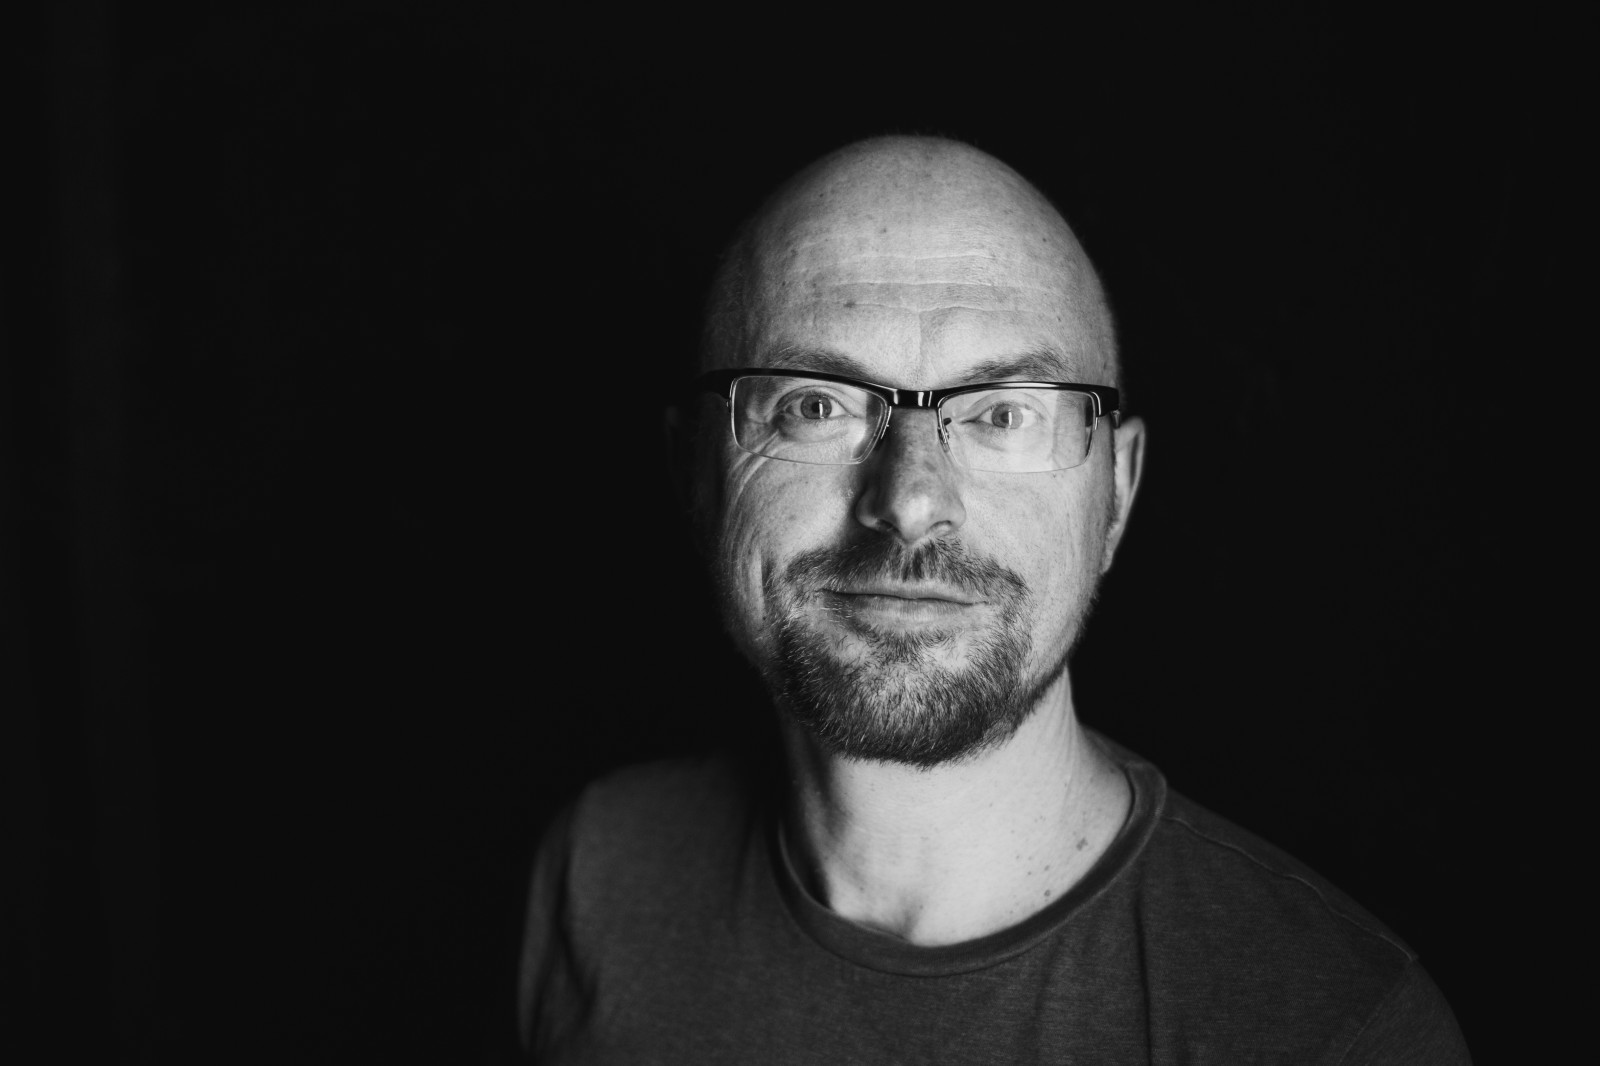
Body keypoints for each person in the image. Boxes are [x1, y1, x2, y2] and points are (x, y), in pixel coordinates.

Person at [516, 135, 1469, 1063]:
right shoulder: (600, 876)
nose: (911, 502)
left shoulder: (1339, 1030)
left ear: (1117, 493)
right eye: (816, 404)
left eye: (1004, 413)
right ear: (696, 474)